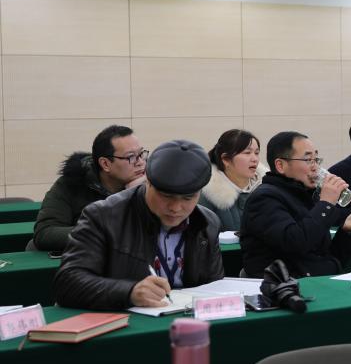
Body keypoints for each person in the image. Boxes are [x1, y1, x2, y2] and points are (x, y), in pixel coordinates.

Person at [53, 140, 224, 310]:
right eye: (166, 196)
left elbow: (214, 287)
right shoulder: (103, 216)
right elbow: (67, 283)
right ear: (147, 180)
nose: (175, 208)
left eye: (188, 198)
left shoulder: (207, 222)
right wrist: (129, 292)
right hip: (125, 320)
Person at [241, 131, 351, 277]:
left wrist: (347, 231)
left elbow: (327, 258)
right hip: (285, 286)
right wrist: (326, 204)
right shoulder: (264, 198)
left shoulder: (306, 195)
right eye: (308, 159)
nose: (315, 167)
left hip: (317, 282)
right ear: (280, 165)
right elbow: (295, 243)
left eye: (316, 160)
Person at [33, 125, 148, 255]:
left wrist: (135, 194)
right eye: (131, 157)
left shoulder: (151, 184)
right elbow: (45, 234)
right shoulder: (71, 184)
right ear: (105, 164)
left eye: (141, 154)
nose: (141, 162)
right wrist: (103, 232)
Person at [199, 129, 268, 232]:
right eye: (247, 153)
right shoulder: (207, 196)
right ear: (226, 159)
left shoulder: (267, 188)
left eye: (256, 153)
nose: (255, 159)